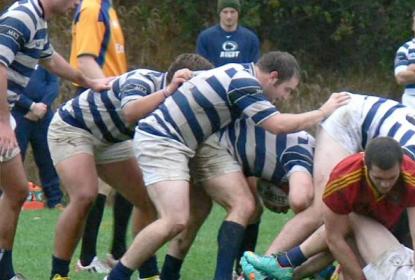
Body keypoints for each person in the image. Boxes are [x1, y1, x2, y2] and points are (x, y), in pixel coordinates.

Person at [105, 51, 349, 280]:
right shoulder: (245, 82)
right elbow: (277, 125)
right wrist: (322, 112)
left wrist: (179, 78)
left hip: (178, 143)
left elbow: (193, 78)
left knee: (199, 212)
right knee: (177, 219)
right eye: (287, 90)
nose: (285, 97)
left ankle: (170, 275)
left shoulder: (236, 71)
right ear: (273, 77)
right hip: (163, 140)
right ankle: (118, 275)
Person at [252, 93, 415, 261]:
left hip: (366, 121)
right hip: (348, 120)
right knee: (321, 210)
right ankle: (260, 269)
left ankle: (289, 267)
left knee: (350, 222)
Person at [48, 54, 213, 280]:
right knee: (85, 196)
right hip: (73, 127)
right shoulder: (141, 80)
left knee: (148, 199)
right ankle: (59, 274)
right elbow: (131, 112)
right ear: (179, 80)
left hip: (112, 140)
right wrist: (168, 91)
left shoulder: (179, 101)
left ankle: (147, 272)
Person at [0, 0, 111, 278]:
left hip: (6, 114)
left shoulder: (38, 20)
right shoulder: (22, 17)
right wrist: (3, 122)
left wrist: (89, 82)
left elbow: (50, 59)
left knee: (16, 191)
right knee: (15, 191)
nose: (76, 2)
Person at [241, 137, 415, 280]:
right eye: (378, 179)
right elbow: (334, 238)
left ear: (401, 167)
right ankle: (281, 269)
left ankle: (283, 264)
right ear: (365, 166)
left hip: (397, 239)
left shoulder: (414, 176)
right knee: (344, 235)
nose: (385, 185)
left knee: (351, 221)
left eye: (391, 178)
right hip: (365, 235)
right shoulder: (344, 177)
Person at [160, 116, 316, 279]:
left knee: (200, 212)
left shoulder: (290, 155)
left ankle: (169, 274)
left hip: (211, 142)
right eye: (281, 206)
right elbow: (300, 201)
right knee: (243, 205)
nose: (284, 211)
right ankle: (224, 276)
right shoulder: (302, 158)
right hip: (214, 144)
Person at [69, 0, 132, 272]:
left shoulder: (108, 8)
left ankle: (113, 253)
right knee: (104, 184)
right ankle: (89, 258)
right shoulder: (92, 7)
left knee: (123, 180)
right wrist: (115, 95)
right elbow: (84, 59)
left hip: (110, 99)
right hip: (99, 99)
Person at [11, 66, 62, 209]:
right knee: (13, 158)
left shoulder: (44, 60)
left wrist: (42, 106)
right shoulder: (13, 59)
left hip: (44, 116)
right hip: (18, 114)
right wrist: (31, 106)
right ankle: (8, 199)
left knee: (48, 158)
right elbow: (9, 87)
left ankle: (55, 200)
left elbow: (53, 85)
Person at [196, 0, 260, 66]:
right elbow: (201, 67)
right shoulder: (205, 37)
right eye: (225, 12)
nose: (229, 16)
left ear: (238, 13)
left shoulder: (250, 38)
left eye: (232, 12)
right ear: (219, 13)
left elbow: (255, 67)